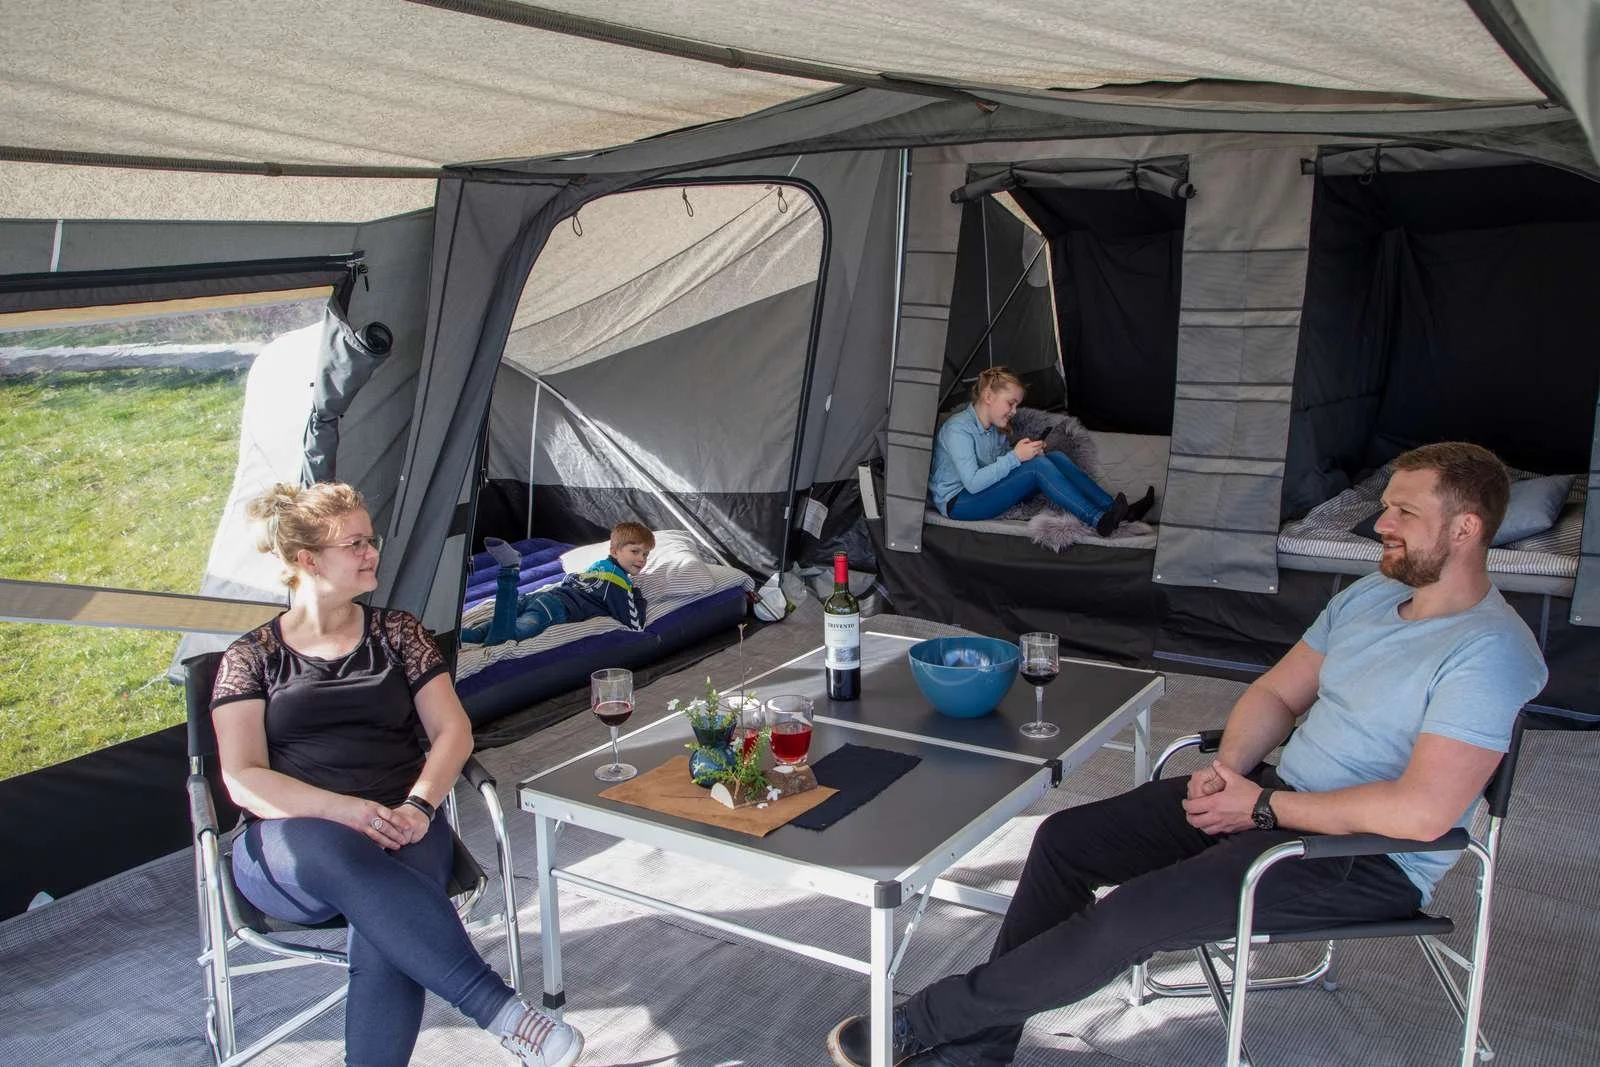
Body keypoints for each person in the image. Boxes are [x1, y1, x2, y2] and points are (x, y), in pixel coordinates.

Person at [829, 441, 1547, 1067]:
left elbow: (1422, 813)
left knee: (1135, 912)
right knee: (1065, 840)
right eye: (1384, 506)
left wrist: (1263, 805)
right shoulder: (1370, 595)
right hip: (1271, 796)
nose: (1380, 523)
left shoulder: (1489, 652)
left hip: (1364, 856)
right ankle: (982, 1047)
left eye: (1403, 513)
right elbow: (1275, 693)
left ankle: (921, 1023)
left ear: (1465, 529)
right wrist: (1232, 770)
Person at [210, 482, 583, 1067]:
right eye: (354, 543)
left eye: (371, 539)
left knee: (386, 929)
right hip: (295, 843)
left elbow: (453, 732)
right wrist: (345, 811)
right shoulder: (252, 658)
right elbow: (243, 776)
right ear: (307, 561)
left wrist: (419, 806)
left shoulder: (398, 633)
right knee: (334, 853)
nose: (371, 553)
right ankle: (499, 1010)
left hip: (405, 822)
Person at [927, 367, 1154, 537]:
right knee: (1037, 468)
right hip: (959, 502)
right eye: (1011, 403)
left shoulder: (995, 429)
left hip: (984, 491)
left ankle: (1115, 510)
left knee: (1054, 457)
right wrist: (1017, 457)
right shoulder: (957, 430)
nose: (1014, 411)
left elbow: (1000, 467)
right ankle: (1097, 520)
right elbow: (974, 482)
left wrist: (1028, 453)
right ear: (988, 397)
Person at [462, 522, 653, 646]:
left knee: (482, 633)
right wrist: (636, 594)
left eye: (645, 554)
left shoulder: (599, 566)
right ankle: (509, 570)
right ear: (614, 551)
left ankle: (442, 640)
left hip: (541, 597)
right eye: (635, 551)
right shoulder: (618, 584)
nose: (641, 559)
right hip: (553, 608)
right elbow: (635, 625)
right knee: (503, 638)